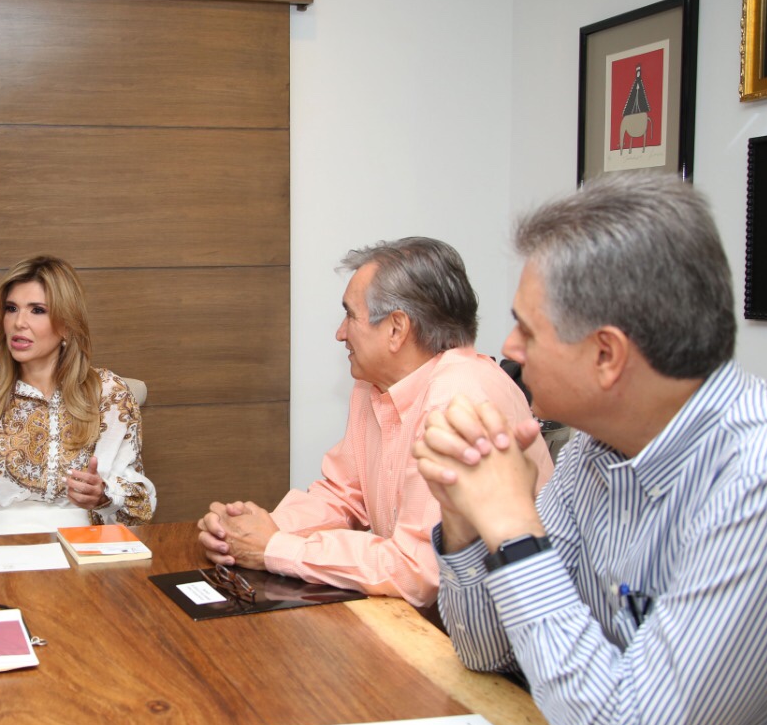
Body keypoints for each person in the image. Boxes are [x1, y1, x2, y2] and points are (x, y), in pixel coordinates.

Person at [414, 172, 767, 725]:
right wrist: (466, 518)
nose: (509, 347)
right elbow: (485, 652)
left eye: (528, 329)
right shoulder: (593, 450)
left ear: (607, 356)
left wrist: (513, 527)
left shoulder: (765, 480)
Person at [197, 238, 552, 607]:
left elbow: (418, 571)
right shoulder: (374, 384)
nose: (340, 333)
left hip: (485, 627)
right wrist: (248, 532)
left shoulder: (457, 400)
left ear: (396, 329)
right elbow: (343, 495)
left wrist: (274, 547)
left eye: (350, 315)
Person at [0, 255, 155, 536]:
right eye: (11, 308)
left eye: (37, 310)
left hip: (85, 546)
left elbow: (138, 511)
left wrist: (103, 497)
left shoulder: (109, 394)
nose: (18, 323)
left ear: (67, 324)